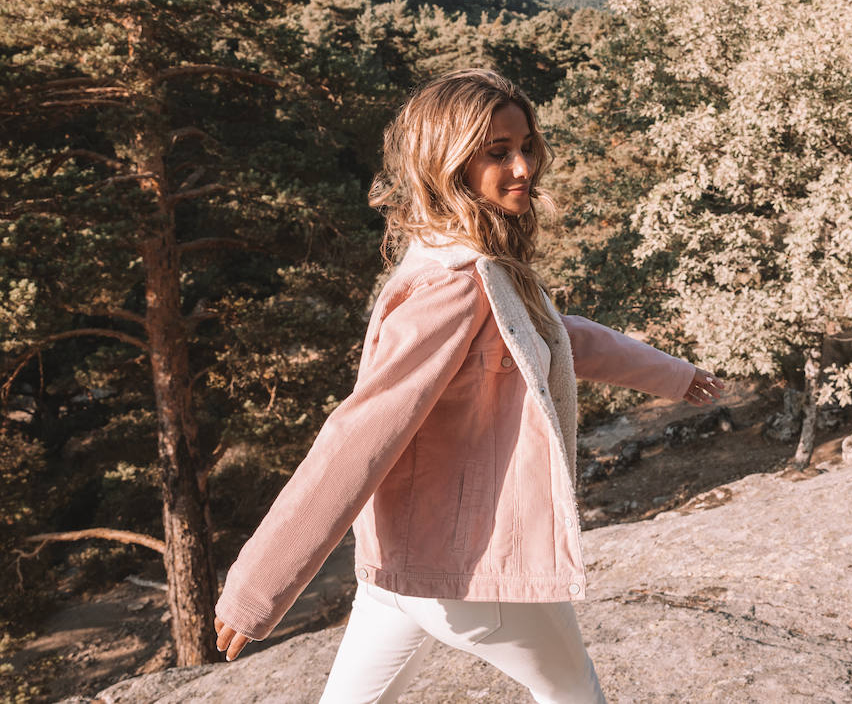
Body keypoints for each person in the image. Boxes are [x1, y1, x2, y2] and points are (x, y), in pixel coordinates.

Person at [212, 68, 723, 703]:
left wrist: (673, 374)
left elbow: (553, 335)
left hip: (402, 564)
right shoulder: (455, 282)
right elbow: (359, 435)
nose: (523, 167)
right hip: (472, 569)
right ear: (449, 164)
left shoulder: (456, 253)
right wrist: (258, 586)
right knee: (576, 696)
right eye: (497, 152)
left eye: (527, 146)